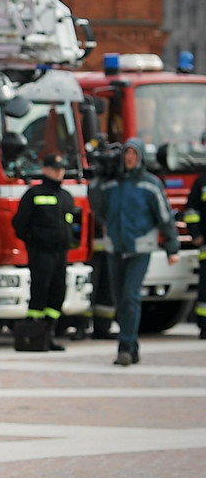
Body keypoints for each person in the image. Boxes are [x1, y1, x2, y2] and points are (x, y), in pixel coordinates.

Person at [91, 138, 180, 366]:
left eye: (133, 154)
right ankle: (132, 346)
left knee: (131, 296)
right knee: (120, 301)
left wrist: (172, 247)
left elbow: (165, 216)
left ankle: (126, 347)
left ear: (140, 157)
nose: (129, 158)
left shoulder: (150, 184)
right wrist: (100, 175)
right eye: (126, 153)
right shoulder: (110, 184)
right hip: (115, 247)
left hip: (140, 248)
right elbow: (96, 206)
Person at [12, 153, 76, 352]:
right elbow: (19, 224)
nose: (59, 172)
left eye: (61, 169)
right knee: (39, 294)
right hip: (41, 253)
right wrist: (34, 241)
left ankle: (49, 335)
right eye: (55, 169)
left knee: (57, 294)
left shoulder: (66, 197)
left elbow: (72, 224)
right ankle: (33, 336)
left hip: (60, 253)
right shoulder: (34, 194)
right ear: (45, 169)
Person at [185, 165, 206, 339]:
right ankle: (205, 326)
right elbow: (191, 211)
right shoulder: (202, 181)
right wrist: (196, 234)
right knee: (205, 289)